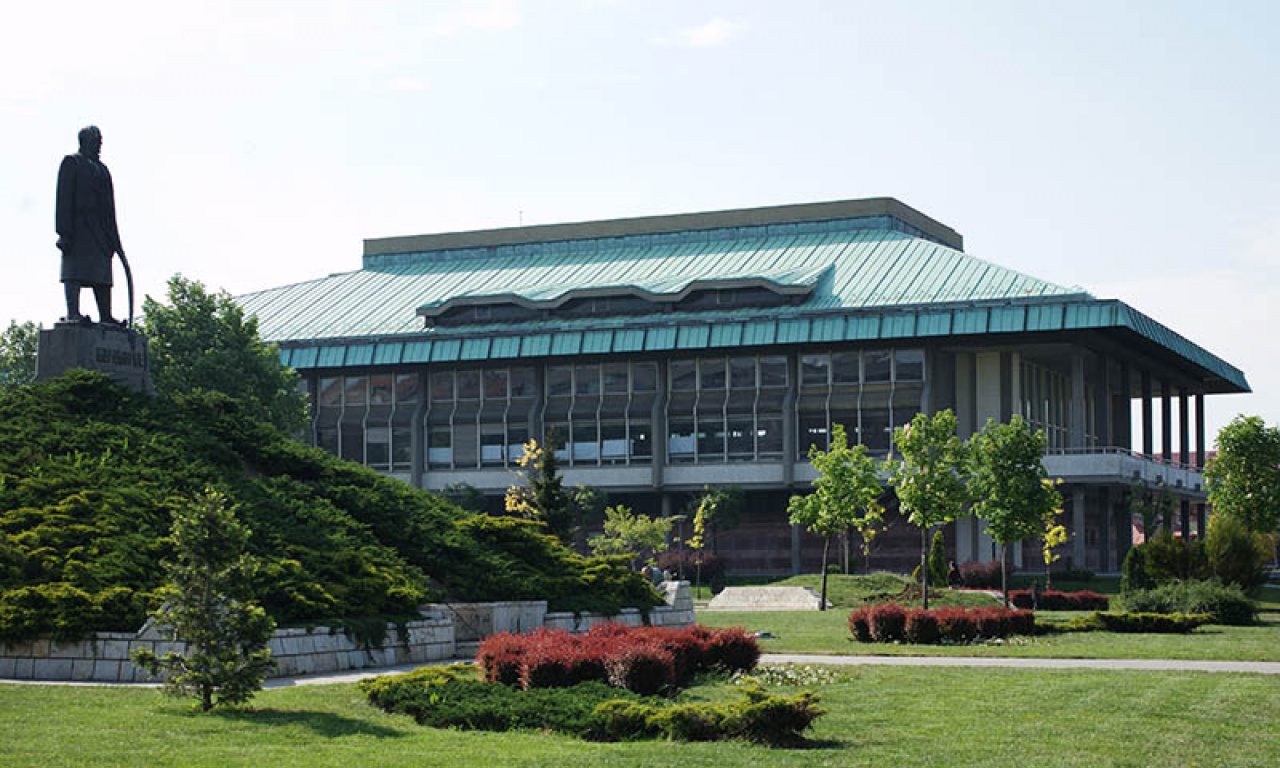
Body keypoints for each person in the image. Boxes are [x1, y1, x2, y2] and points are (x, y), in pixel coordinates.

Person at [56, 125, 125, 325]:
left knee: (102, 273)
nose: (99, 145)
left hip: (101, 230)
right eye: (97, 141)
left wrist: (114, 238)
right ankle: (73, 312)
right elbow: (63, 199)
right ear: (85, 141)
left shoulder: (103, 170)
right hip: (79, 227)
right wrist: (64, 232)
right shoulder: (72, 162)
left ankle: (105, 315)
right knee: (75, 270)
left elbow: (110, 207)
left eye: (100, 141)